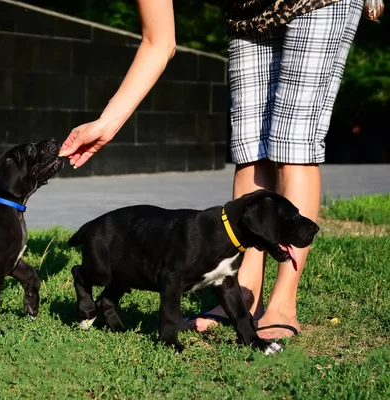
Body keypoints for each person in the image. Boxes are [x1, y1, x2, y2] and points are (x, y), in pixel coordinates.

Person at [59, 0, 364, 339]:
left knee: (293, 143)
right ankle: (242, 293)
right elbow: (159, 42)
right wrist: (106, 123)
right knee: (249, 150)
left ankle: (283, 305)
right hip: (245, 11)